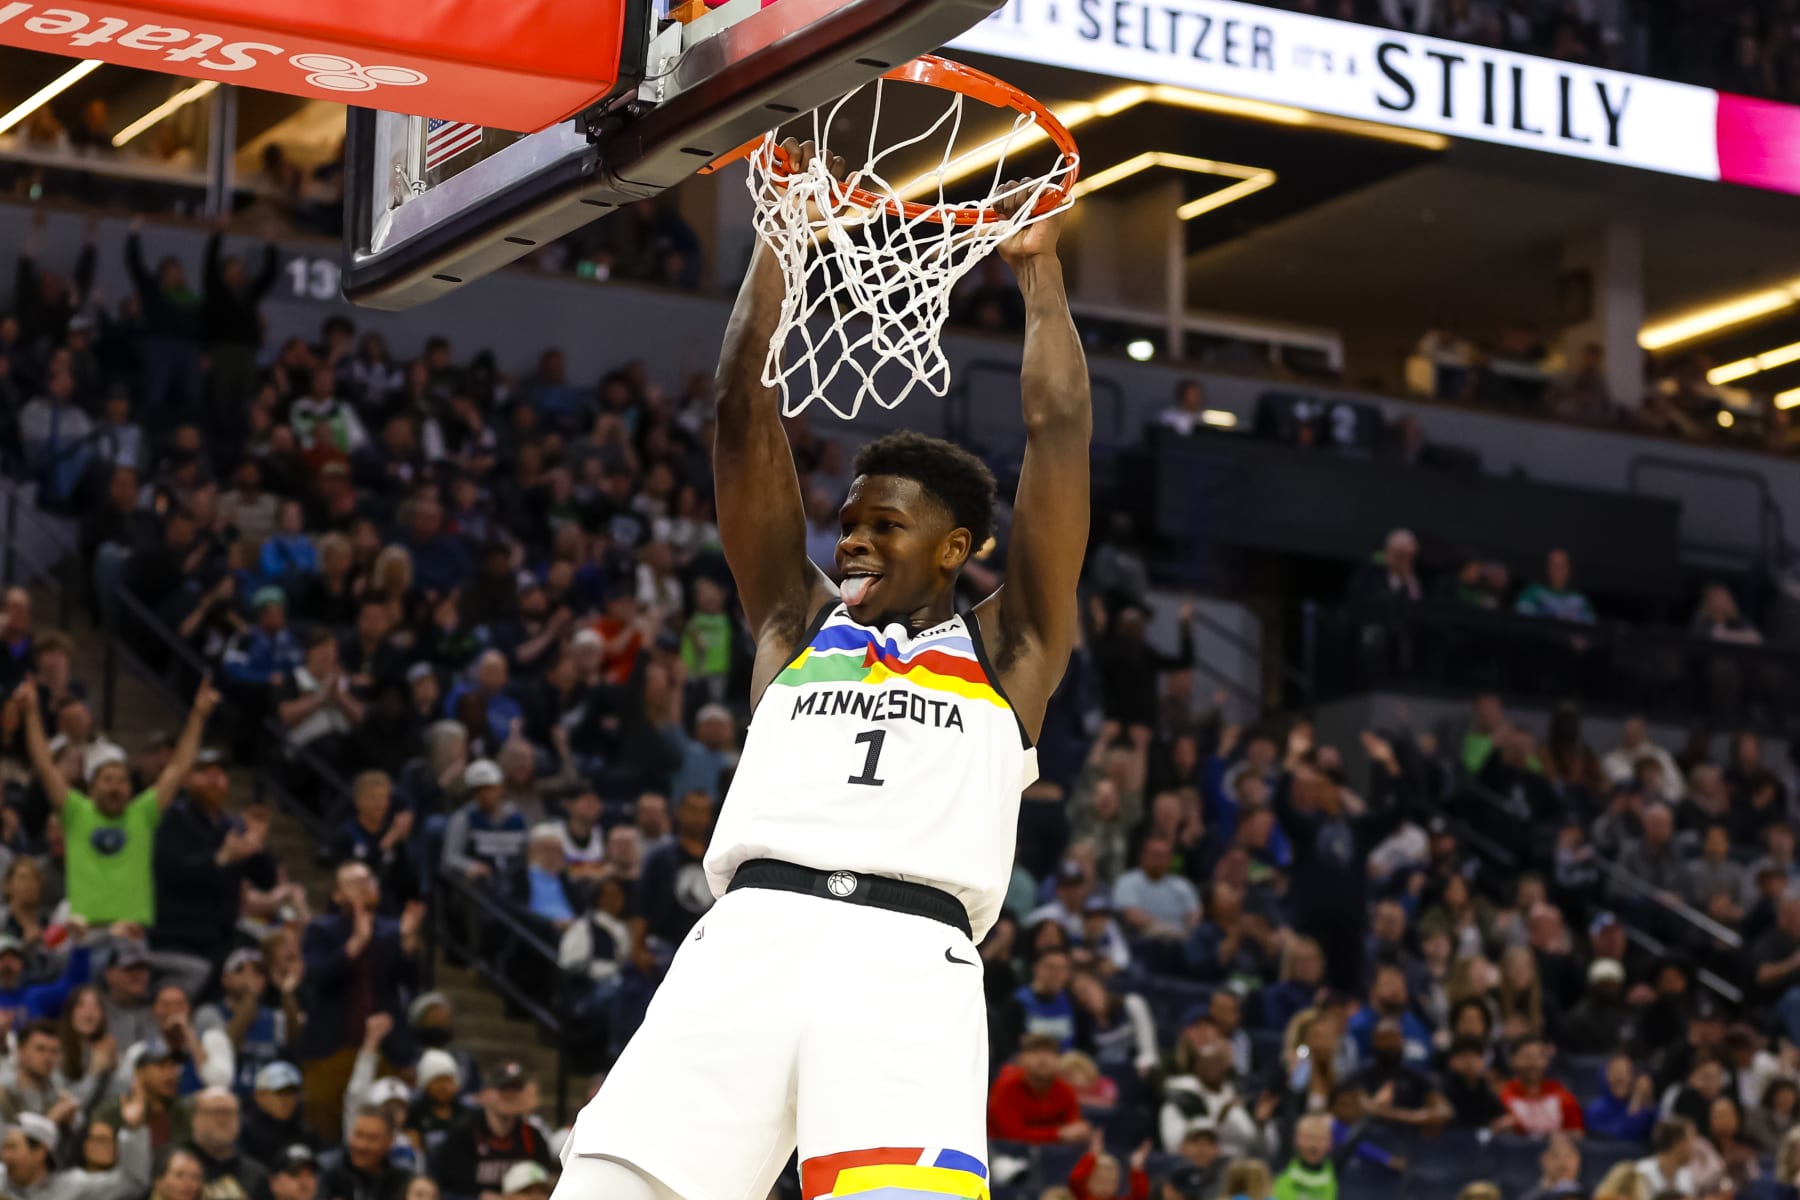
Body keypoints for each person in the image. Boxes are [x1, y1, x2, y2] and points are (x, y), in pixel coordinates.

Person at [18, 675, 217, 927]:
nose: (115, 787)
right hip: (85, 931)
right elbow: (44, 766)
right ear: (92, 789)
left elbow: (177, 768)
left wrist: (198, 716)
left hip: (131, 934)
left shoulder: (142, 813)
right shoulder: (76, 812)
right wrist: (31, 712)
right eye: (108, 780)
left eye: (122, 781)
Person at [429, 1063, 555, 1200]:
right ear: (484, 1094)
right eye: (504, 1088)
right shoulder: (463, 1134)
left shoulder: (532, 1136)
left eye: (516, 1088)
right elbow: (446, 1191)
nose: (511, 1094)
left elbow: (548, 1183)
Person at [1, 1103, 152, 1200]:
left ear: (40, 1152)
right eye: (4, 1148)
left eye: (12, 1148)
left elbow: (131, 1183)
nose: (4, 1156)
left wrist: (134, 1130)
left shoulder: (73, 1187)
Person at [986, 1034, 1090, 1145]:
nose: (1043, 1059)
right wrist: (1058, 1134)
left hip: (1053, 1154)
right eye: (1034, 1052)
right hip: (1003, 1153)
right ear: (1021, 1059)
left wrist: (1078, 1132)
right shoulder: (1005, 1087)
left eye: (1050, 1053)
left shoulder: (1065, 1090)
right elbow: (1012, 1135)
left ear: (1060, 1059)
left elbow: (1074, 1128)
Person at [1499, 1036, 1584, 1136]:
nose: (1533, 1063)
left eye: (1539, 1057)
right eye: (1527, 1057)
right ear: (1512, 1060)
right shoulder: (1502, 1096)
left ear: (1546, 1061)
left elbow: (1577, 1134)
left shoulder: (1562, 1096)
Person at [1271, 1114, 1337, 1200]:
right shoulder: (1282, 1166)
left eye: (1320, 1139)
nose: (1314, 1145)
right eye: (1308, 1137)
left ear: (1330, 1144)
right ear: (1296, 1140)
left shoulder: (1336, 1171)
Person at [1519, 1133, 1583, 1200]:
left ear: (1578, 1158)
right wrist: (1542, 1189)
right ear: (1543, 1159)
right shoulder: (1533, 1192)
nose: (1562, 1162)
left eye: (1568, 1156)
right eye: (1555, 1156)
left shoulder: (1591, 1190)